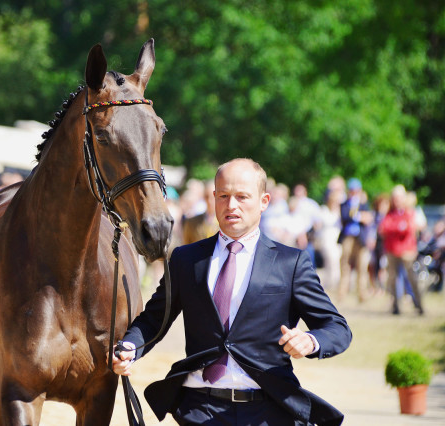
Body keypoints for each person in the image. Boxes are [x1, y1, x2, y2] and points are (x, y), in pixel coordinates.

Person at [111, 158, 352, 426]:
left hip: (269, 411)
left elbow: (337, 328)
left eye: (242, 197)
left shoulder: (291, 263)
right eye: (223, 196)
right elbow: (154, 319)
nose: (231, 205)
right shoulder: (185, 259)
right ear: (214, 198)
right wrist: (129, 347)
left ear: (264, 201)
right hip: (200, 409)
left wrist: (311, 340)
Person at [378, 185, 424, 315]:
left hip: (407, 250)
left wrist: (396, 228)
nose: (396, 200)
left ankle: (419, 304)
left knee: (411, 278)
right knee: (392, 279)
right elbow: (383, 229)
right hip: (392, 250)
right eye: (394, 198)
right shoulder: (389, 213)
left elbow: (409, 229)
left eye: (399, 198)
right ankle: (395, 307)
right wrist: (398, 227)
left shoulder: (409, 212)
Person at [337, 178, 373, 303]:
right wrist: (359, 216)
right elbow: (346, 216)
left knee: (362, 267)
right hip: (348, 238)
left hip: (360, 239)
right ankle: (342, 293)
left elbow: (368, 219)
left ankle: (362, 294)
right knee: (345, 266)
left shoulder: (364, 204)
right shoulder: (344, 204)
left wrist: (359, 216)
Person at [182, 180, 218, 245]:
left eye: (213, 197)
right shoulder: (191, 222)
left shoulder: (225, 222)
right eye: (207, 196)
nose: (210, 200)